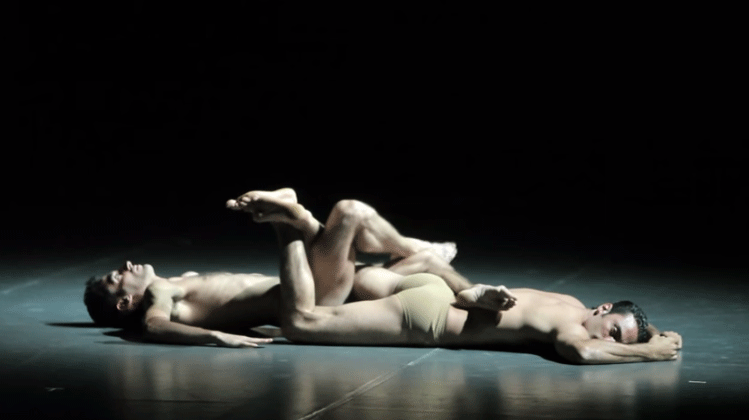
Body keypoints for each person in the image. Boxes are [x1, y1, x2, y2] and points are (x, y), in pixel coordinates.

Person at [254, 190, 683, 364]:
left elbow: (614, 328)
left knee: (348, 234)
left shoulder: (573, 305)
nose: (606, 340)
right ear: (602, 309)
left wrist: (650, 334)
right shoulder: (571, 326)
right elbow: (583, 353)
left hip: (440, 287)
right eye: (612, 332)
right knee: (303, 322)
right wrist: (652, 352)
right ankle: (287, 226)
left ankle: (330, 222)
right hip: (428, 316)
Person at [83, 188, 472, 347]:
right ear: (124, 302)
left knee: (418, 257)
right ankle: (290, 219)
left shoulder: (179, 281)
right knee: (348, 212)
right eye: (117, 276)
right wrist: (216, 337)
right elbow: (153, 325)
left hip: (315, 286)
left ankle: (468, 293)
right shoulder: (160, 292)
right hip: (310, 299)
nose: (126, 265)